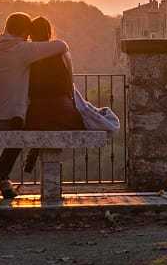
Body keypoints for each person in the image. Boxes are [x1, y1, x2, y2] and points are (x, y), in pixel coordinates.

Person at [0, 12, 68, 200]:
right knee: (23, 131)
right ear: (26, 32)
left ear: (6, 28)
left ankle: (2, 182)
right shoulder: (22, 49)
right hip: (0, 120)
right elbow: (62, 46)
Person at [22, 16, 119, 173]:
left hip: (36, 117)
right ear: (49, 32)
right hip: (62, 112)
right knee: (55, 121)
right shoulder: (62, 54)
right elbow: (69, 87)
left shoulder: (28, 57)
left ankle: (35, 150)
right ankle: (35, 151)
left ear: (31, 35)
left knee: (44, 121)